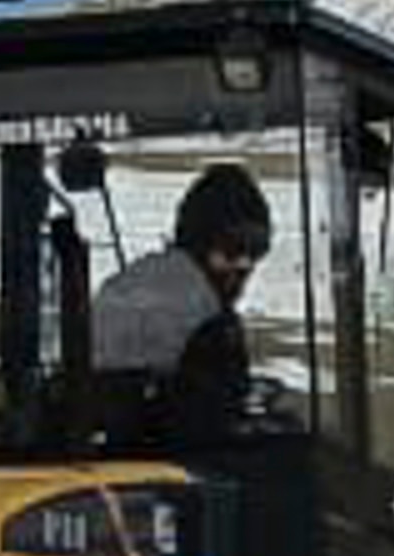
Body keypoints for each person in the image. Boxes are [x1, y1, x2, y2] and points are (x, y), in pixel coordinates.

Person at [91, 161, 271, 444]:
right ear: (197, 240)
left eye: (258, 251)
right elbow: (213, 427)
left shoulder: (123, 285)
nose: (246, 265)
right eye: (233, 249)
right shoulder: (210, 324)